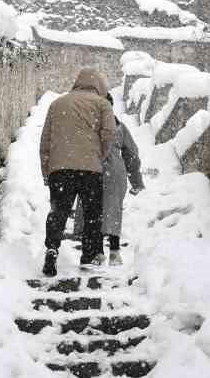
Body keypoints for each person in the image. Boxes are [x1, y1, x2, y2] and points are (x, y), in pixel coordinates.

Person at [39, 68, 117, 276]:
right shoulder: (102, 104)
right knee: (92, 213)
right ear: (99, 86)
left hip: (60, 169)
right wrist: (98, 154)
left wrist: (46, 169)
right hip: (90, 169)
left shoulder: (57, 104)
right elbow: (109, 133)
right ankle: (88, 254)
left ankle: (52, 248)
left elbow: (45, 139)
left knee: (59, 211)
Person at [74, 90, 145, 265]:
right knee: (113, 211)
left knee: (92, 211)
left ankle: (98, 252)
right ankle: (114, 251)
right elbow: (132, 154)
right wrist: (136, 180)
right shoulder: (119, 126)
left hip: (91, 169)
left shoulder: (86, 125)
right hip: (114, 172)